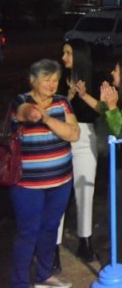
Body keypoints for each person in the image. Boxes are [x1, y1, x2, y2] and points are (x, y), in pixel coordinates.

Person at [9, 59, 80, 288]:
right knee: (27, 231)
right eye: (46, 79)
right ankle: (19, 281)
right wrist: (32, 112)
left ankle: (44, 275)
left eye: (55, 80)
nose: (52, 84)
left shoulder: (62, 103)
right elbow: (25, 113)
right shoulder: (20, 100)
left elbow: (73, 134)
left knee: (50, 228)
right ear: (33, 80)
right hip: (27, 184)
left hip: (60, 180)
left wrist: (47, 118)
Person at [77, 57, 122, 272]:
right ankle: (121, 256)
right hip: (120, 164)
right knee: (119, 211)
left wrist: (111, 107)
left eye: (116, 71)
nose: (112, 74)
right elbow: (103, 110)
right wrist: (84, 96)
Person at [59, 38, 100, 263]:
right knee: (59, 194)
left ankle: (85, 241)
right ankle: (53, 245)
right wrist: (68, 98)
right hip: (61, 136)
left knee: (86, 190)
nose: (64, 58)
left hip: (85, 136)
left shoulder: (95, 77)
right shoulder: (56, 81)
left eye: (68, 53)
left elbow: (103, 109)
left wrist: (83, 95)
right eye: (63, 53)